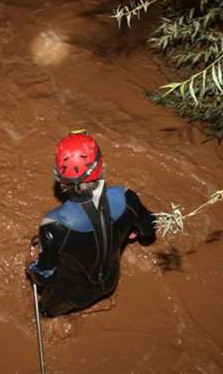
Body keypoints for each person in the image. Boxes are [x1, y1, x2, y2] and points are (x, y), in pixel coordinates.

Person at [27, 130, 156, 317]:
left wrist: (31, 265)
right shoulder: (127, 198)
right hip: (111, 281)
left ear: (58, 177)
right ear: (102, 166)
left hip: (72, 294)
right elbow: (149, 229)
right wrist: (129, 229)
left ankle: (47, 314)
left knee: (44, 311)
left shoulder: (53, 225)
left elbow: (43, 276)